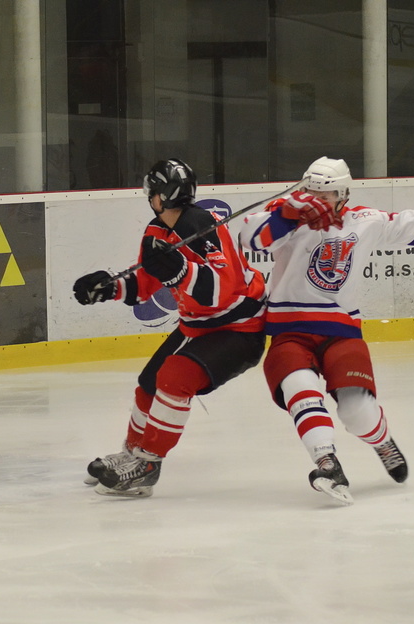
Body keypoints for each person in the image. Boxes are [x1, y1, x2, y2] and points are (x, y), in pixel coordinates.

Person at [239, 156, 414, 504]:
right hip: (290, 331)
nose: (318, 200)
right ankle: (327, 462)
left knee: (356, 410)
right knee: (300, 389)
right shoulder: (286, 214)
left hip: (341, 331)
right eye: (311, 192)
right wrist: (289, 213)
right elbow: (250, 238)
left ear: (343, 195)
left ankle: (382, 442)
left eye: (326, 195)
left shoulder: (364, 221)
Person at [73, 159, 268, 497]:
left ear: (160, 196)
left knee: (174, 378)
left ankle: (148, 465)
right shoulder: (156, 231)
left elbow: (223, 290)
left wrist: (180, 271)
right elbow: (146, 280)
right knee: (149, 383)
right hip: (198, 326)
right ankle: (133, 453)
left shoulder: (201, 226)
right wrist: (109, 288)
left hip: (239, 328)